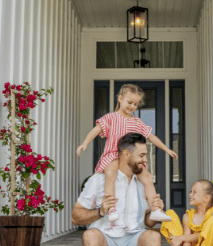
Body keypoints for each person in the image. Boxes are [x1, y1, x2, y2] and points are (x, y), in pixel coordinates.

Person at [76, 83, 177, 223]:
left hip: (131, 158)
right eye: (129, 102)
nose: (132, 106)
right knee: (110, 174)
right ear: (120, 98)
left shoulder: (137, 122)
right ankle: (111, 209)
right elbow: (97, 129)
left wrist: (166, 149)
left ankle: (155, 210)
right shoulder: (110, 117)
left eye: (135, 104)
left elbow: (151, 136)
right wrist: (85, 143)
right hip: (113, 154)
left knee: (147, 177)